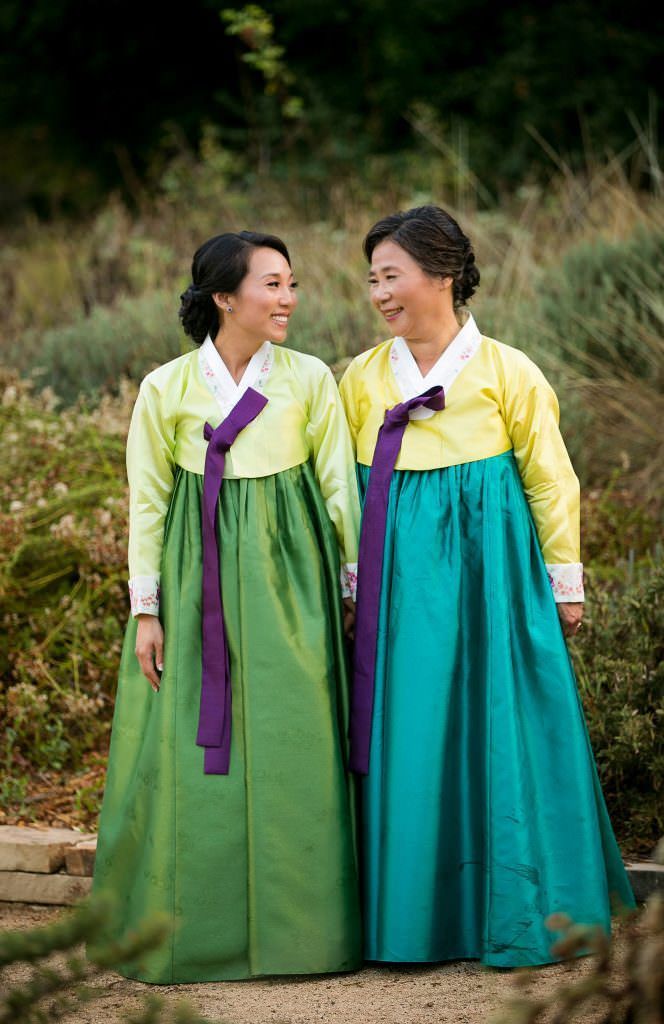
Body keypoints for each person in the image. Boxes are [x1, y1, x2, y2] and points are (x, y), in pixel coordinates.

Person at [339, 205, 634, 969]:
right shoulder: (361, 378)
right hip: (400, 584)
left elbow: (551, 480)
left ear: (442, 273)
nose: (379, 294)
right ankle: (414, 918)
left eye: (392, 276)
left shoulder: (509, 371)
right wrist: (352, 580)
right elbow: (343, 487)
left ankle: (520, 907)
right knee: (412, 728)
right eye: (372, 280)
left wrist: (564, 583)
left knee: (500, 724)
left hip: (491, 576)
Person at [92, 230, 362, 983]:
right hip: (195, 576)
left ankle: (305, 934)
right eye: (272, 285)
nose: (288, 299)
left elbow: (340, 486)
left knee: (296, 732)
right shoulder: (166, 387)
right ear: (223, 297)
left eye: (291, 284)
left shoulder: (310, 378)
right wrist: (147, 610)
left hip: (291, 579)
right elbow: (148, 501)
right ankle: (196, 933)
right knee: (194, 746)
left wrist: (352, 588)